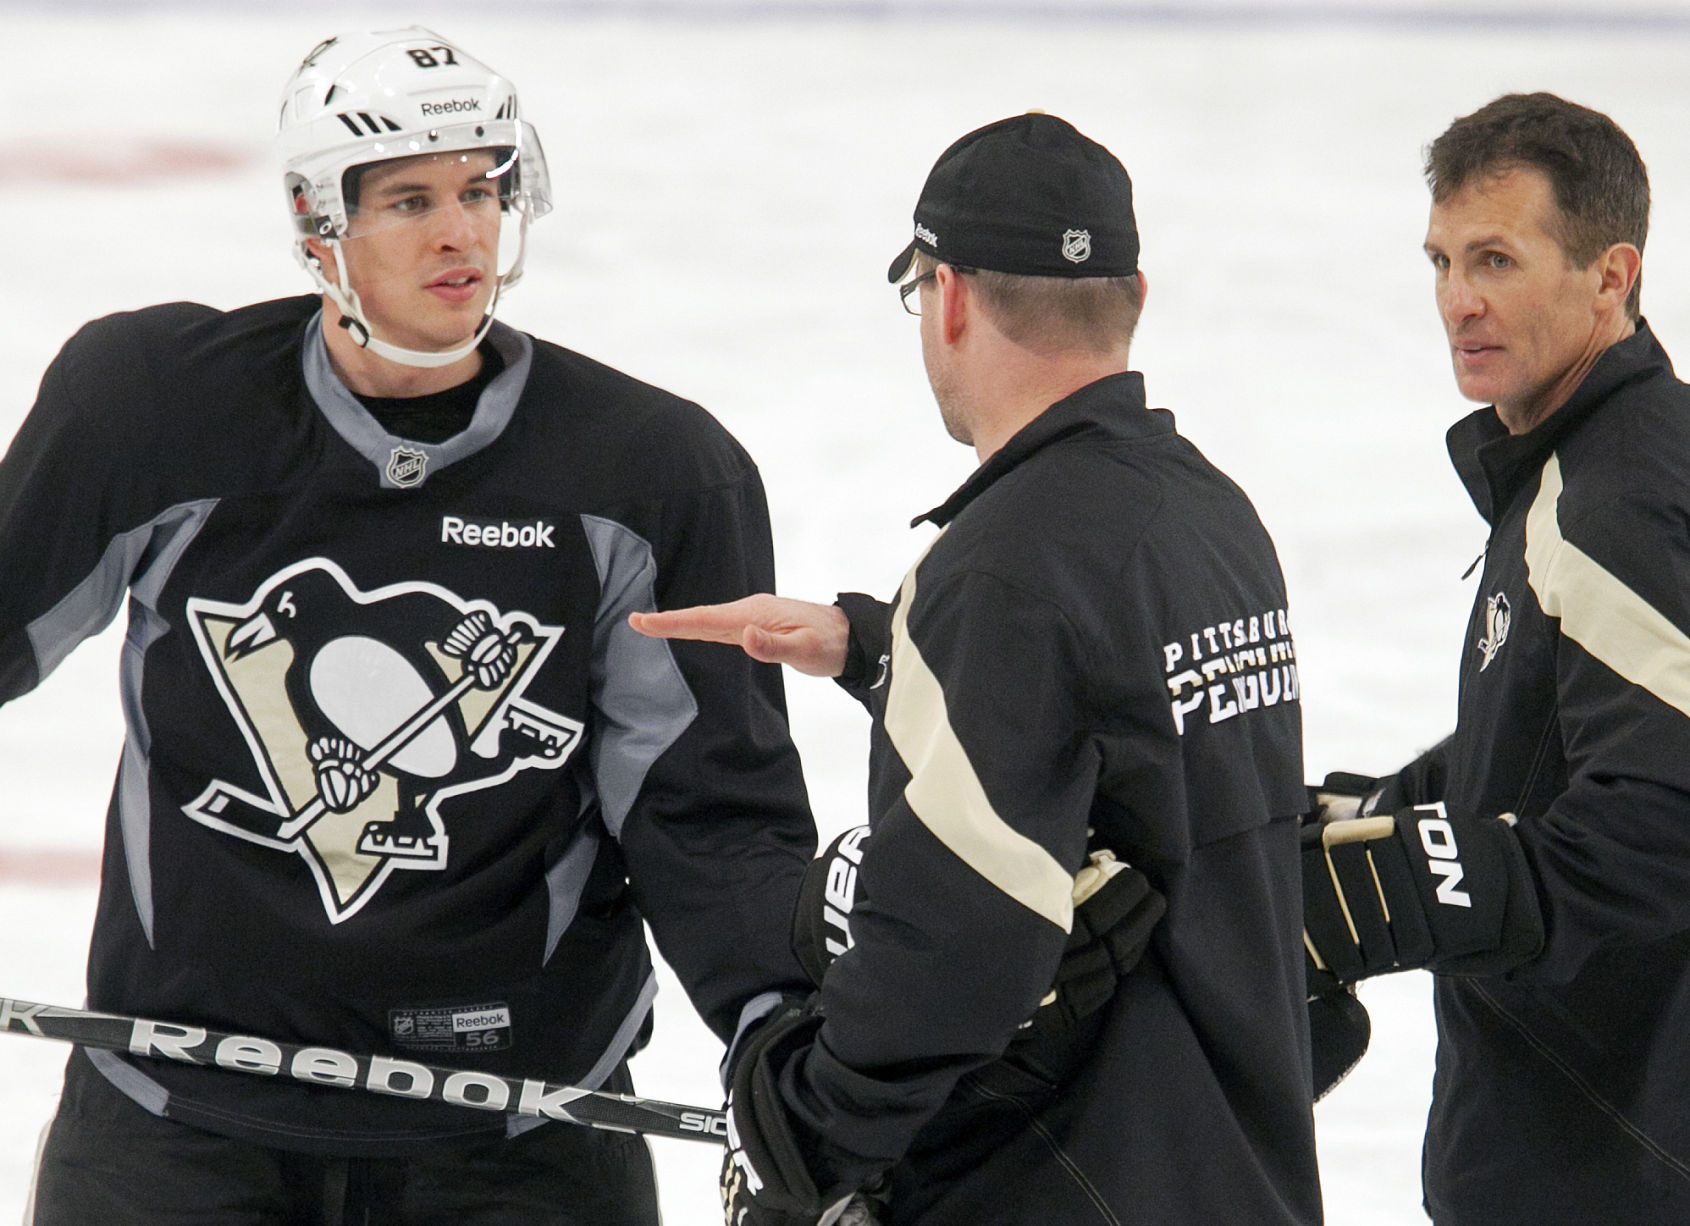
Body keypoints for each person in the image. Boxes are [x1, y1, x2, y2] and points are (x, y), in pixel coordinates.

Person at [0, 26, 815, 1224]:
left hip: (521, 1133)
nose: (462, 233)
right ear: (316, 217)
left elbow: (706, 812)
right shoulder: (157, 411)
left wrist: (783, 1030)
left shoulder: (646, 476)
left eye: (482, 189)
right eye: (413, 198)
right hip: (175, 1116)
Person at [633, 113, 1322, 1226]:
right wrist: (877, 647)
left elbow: (952, 946)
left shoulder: (1003, 571)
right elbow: (1120, 744)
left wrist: (796, 1129)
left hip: (1066, 1178)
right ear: (1133, 296)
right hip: (1228, 1162)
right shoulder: (1208, 512)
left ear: (947, 295)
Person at [1300, 92, 1690, 1223]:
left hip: (1609, 1164)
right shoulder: (1610, 462)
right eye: (1440, 261)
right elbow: (1573, 729)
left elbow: (1662, 821)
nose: (1456, 300)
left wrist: (1406, 886)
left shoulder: (1607, 505)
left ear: (1610, 276)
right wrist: (1392, 807)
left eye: (1496, 260)